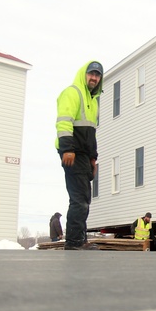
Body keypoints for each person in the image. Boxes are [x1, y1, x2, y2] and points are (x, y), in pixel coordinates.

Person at [56, 61, 103, 250]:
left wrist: (93, 159)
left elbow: (90, 135)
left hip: (84, 156)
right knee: (78, 200)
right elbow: (63, 122)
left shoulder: (92, 101)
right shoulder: (72, 93)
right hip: (72, 153)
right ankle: (73, 243)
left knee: (84, 199)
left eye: (97, 75)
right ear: (84, 74)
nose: (94, 78)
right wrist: (67, 149)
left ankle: (79, 239)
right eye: (91, 74)